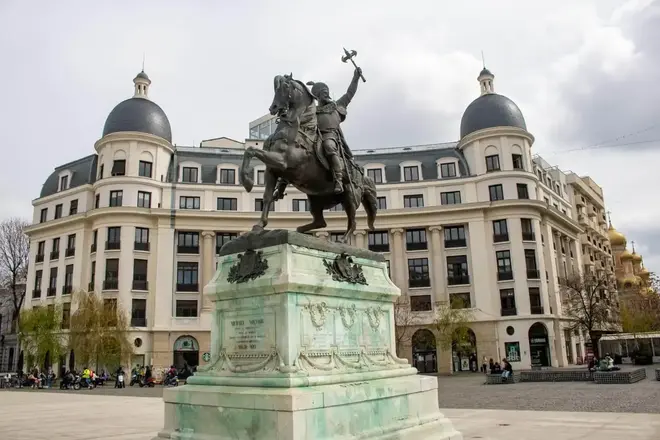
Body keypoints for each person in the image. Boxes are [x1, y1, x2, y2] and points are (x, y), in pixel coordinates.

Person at [307, 67, 363, 194]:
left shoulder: (337, 105)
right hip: (315, 136)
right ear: (317, 96)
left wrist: (355, 78)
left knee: (329, 146)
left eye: (327, 92)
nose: (326, 94)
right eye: (323, 93)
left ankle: (338, 180)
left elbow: (349, 93)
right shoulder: (313, 110)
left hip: (330, 136)